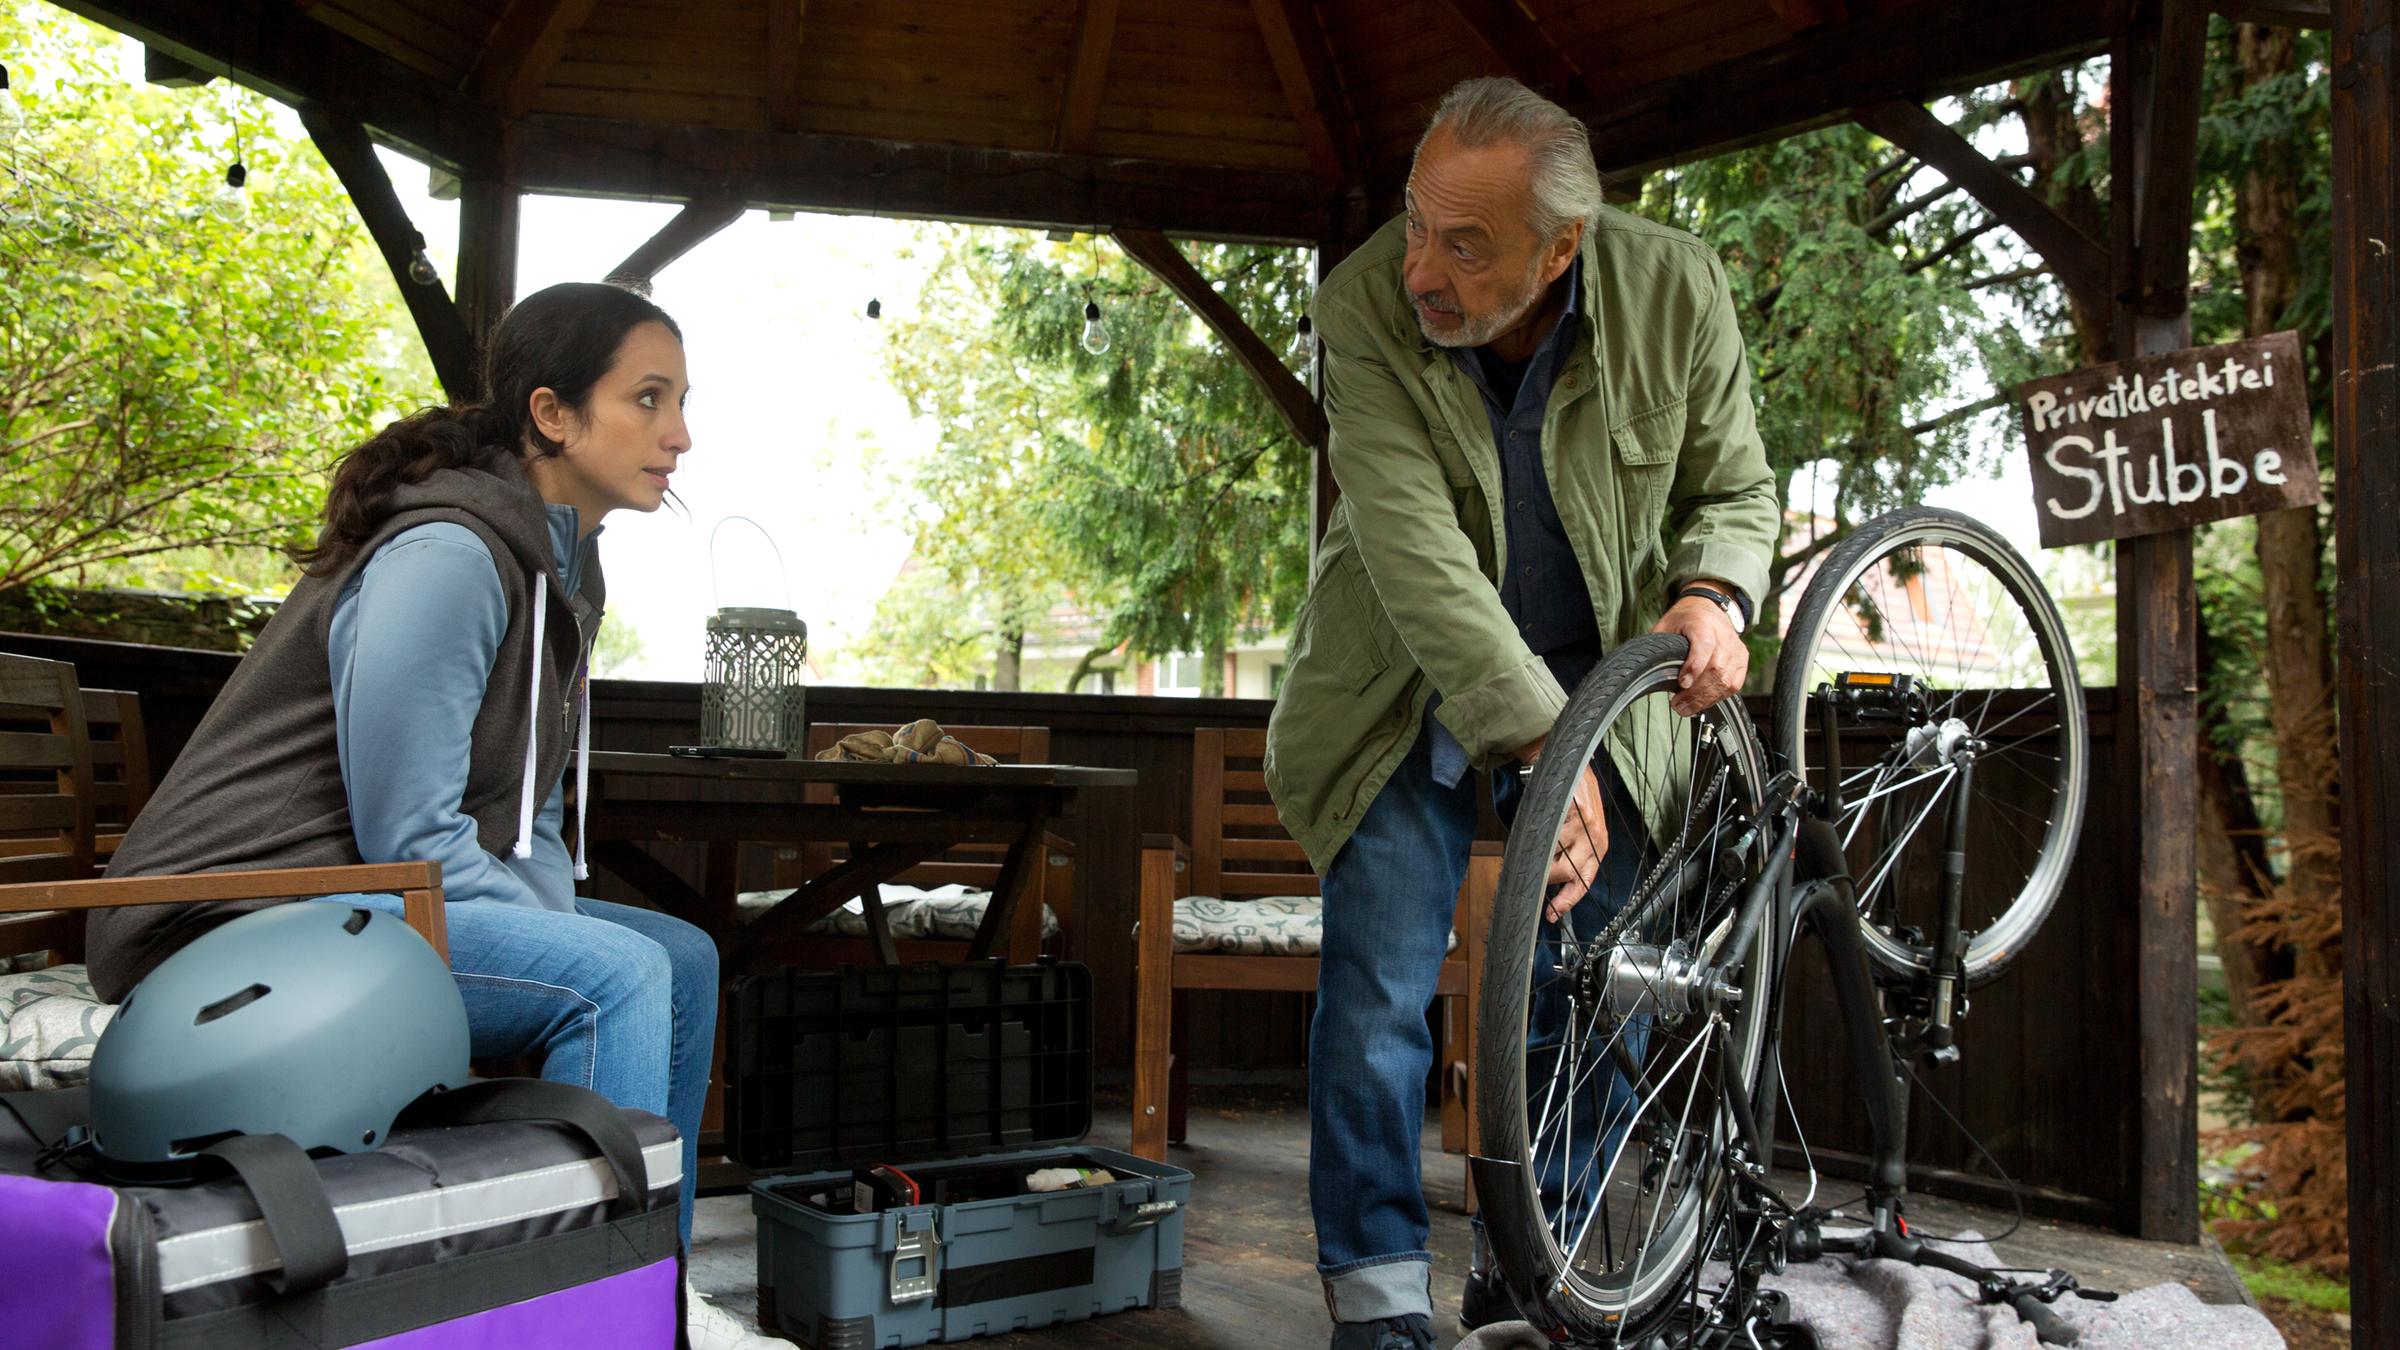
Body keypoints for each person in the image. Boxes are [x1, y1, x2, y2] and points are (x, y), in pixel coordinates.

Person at [87, 281, 778, 1349]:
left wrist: (558, 927)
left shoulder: (559, 571)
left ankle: (650, 1294)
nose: (679, 436)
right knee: (617, 975)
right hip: (230, 921)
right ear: (553, 413)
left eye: (682, 401)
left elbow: (527, 822)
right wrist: (568, 947)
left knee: (679, 955)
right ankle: (586, 1313)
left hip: (354, 908)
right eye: (648, 399)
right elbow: (406, 835)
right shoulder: (450, 558)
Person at [1263, 78, 1779, 1349]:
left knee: (1590, 989)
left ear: (1563, 248)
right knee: (1380, 995)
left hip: (1612, 704)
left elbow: (1735, 486)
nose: (1422, 267)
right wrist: (1549, 747)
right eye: (1415, 223)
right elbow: (1413, 552)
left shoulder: (1677, 289)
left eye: (1466, 243)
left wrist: (1714, 592)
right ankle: (1380, 1310)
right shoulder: (1362, 306)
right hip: (1407, 682)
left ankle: (1541, 1271)